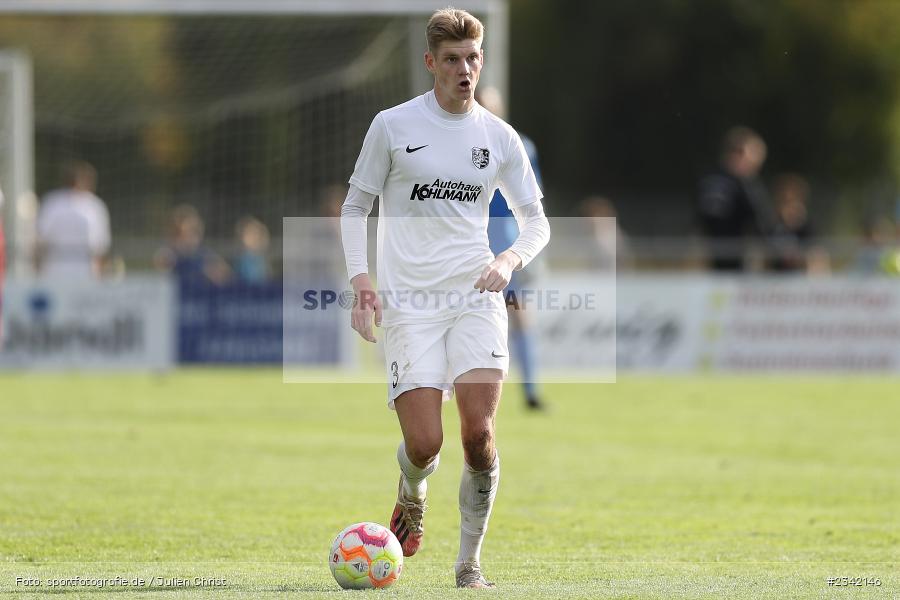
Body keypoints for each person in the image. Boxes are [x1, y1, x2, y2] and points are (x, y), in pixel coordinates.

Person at [339, 8, 550, 589]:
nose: (465, 69)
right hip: (409, 304)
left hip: (475, 296)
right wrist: (362, 282)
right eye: (453, 59)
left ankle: (469, 564)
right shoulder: (393, 126)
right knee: (424, 443)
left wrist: (508, 260)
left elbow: (538, 223)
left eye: (473, 58)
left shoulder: (499, 137)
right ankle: (412, 490)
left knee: (478, 437)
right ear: (431, 63)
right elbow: (356, 207)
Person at [476, 85, 546, 410]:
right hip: (473, 242)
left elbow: (533, 200)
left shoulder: (518, 145)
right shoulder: (458, 143)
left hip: (506, 242)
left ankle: (530, 391)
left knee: (517, 315)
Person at [696, 127, 775, 271]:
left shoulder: (707, 178)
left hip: (710, 254)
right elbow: (761, 220)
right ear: (741, 153)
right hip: (737, 256)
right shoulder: (744, 182)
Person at [36, 160, 111, 279]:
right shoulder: (95, 207)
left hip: (54, 272)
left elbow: (39, 240)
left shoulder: (51, 202)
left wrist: (36, 270)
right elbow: (100, 247)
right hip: (83, 274)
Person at [153, 204, 230, 286]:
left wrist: (214, 273)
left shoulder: (204, 253)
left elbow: (225, 273)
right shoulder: (170, 252)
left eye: (196, 231)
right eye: (190, 231)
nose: (194, 236)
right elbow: (161, 268)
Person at [233, 216, 270, 283]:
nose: (254, 238)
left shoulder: (259, 257)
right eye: (250, 234)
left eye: (256, 234)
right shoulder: (243, 258)